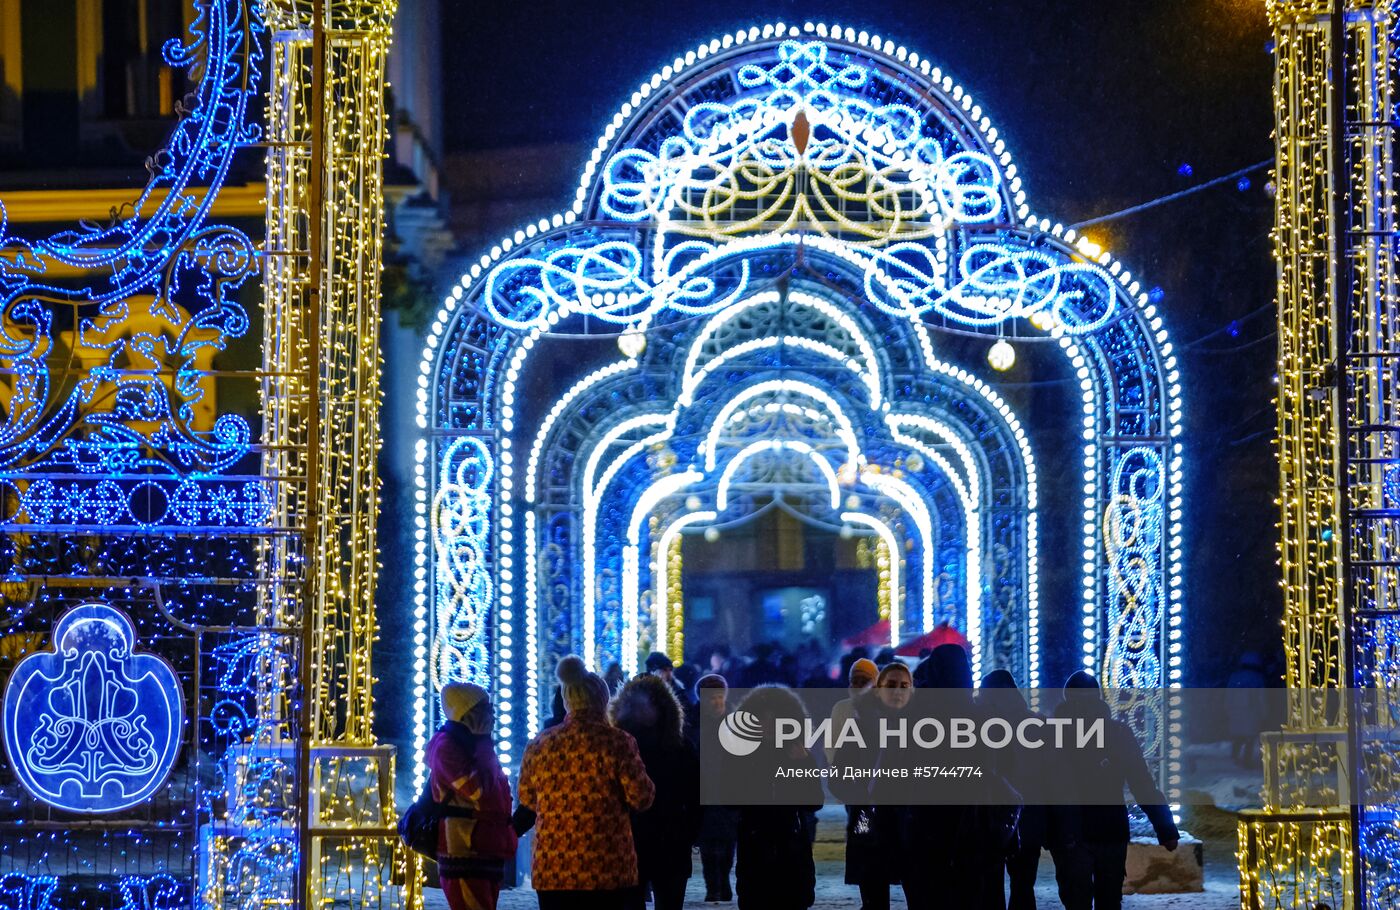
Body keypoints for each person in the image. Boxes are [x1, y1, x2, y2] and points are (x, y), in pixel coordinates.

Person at [517, 656, 656, 909]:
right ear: (603, 700)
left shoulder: (540, 744)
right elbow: (641, 797)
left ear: (568, 701)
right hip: (606, 865)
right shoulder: (618, 742)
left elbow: (527, 799)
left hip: (553, 867)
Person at [1049, 671, 1179, 910]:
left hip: (1069, 832)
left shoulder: (1053, 734)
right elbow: (1142, 783)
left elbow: (1043, 785)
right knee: (1109, 899)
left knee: (1075, 899)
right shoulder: (1117, 733)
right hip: (1109, 828)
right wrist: (1165, 826)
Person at [835, 662, 926, 910]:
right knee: (875, 895)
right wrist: (860, 796)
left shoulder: (923, 727)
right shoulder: (861, 725)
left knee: (919, 894)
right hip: (872, 822)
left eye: (904, 686)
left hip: (911, 825)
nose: (897, 692)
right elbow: (838, 777)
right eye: (891, 685)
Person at [610, 674, 701, 910]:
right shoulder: (678, 746)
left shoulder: (618, 745)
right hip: (661, 839)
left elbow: (695, 794)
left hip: (649, 838)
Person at [427, 682, 518, 910]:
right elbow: (478, 791)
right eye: (485, 708)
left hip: (485, 847)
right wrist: (485, 743)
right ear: (466, 713)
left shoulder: (474, 743)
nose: (492, 714)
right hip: (464, 850)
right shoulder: (447, 747)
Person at [733, 685, 822, 910]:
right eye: (763, 720)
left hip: (790, 847)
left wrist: (801, 763)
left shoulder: (798, 754)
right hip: (756, 846)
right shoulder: (742, 755)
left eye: (775, 721)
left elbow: (814, 801)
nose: (769, 726)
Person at [979, 669, 1046, 910]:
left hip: (991, 816)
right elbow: (1048, 773)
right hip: (1029, 814)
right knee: (1023, 885)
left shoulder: (981, 726)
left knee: (990, 883)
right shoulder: (1037, 723)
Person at [693, 673, 739, 902]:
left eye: (720, 696)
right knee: (708, 842)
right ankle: (713, 883)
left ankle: (723, 879)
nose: (716, 701)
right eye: (711, 697)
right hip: (704, 788)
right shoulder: (693, 723)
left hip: (728, 787)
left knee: (728, 840)